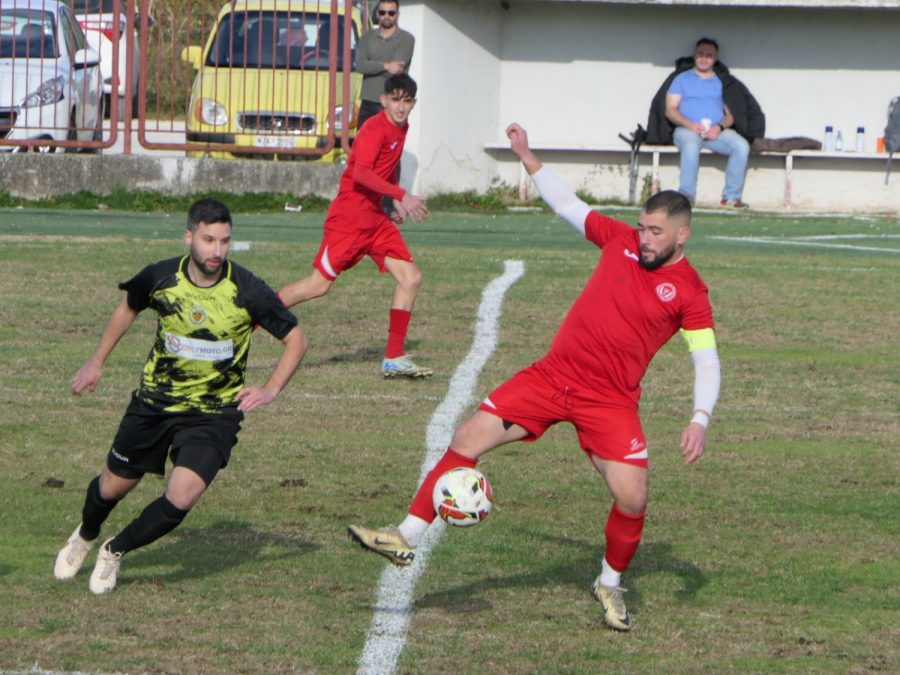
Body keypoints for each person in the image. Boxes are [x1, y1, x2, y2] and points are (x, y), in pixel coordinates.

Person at [348, 123, 722, 631]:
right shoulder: (619, 241)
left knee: (633, 497)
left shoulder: (690, 291)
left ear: (682, 234)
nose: (644, 238)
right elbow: (569, 205)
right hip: (553, 376)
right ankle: (405, 535)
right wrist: (527, 157)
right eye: (641, 227)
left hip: (609, 401)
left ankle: (609, 584)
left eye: (655, 232)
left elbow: (706, 359)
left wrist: (699, 418)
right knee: (467, 436)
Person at [53, 199, 307, 594]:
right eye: (208, 240)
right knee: (112, 487)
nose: (217, 251)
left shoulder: (248, 290)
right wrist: (96, 362)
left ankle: (114, 550)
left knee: (183, 496)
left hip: (213, 413)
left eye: (224, 241)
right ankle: (85, 534)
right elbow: (128, 307)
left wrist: (270, 388)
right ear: (189, 236)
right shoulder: (160, 277)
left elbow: (296, 340)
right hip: (154, 404)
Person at [278, 73, 432, 379]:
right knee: (317, 286)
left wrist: (394, 202)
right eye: (396, 100)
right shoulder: (374, 128)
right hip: (349, 221)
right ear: (385, 100)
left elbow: (383, 172)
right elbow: (360, 173)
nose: (401, 107)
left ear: (413, 103)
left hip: (375, 220)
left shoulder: (403, 128)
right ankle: (250, 317)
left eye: (407, 101)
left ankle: (393, 357)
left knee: (411, 278)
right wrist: (402, 195)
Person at [647, 37, 765, 209]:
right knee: (690, 145)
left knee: (741, 146)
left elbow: (732, 114)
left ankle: (730, 197)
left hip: (715, 132)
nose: (704, 58)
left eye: (709, 55)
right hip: (686, 130)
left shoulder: (723, 82)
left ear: (715, 58)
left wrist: (719, 127)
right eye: (701, 54)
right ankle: (686, 196)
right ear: (695, 55)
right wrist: (690, 125)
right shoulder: (681, 79)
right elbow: (670, 110)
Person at [354, 0, 415, 132]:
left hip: (392, 103)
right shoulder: (367, 37)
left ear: (397, 15)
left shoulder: (406, 39)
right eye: (382, 12)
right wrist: (386, 65)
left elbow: (396, 71)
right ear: (377, 14)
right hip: (367, 101)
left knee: (386, 149)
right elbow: (360, 66)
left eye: (391, 13)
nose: (386, 16)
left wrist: (371, 64)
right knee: (362, 146)